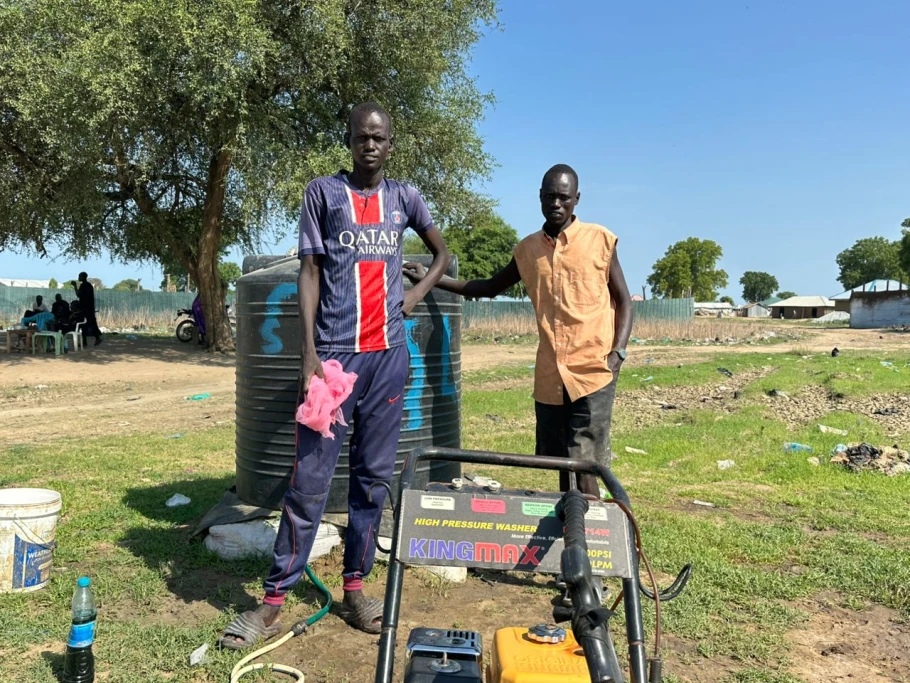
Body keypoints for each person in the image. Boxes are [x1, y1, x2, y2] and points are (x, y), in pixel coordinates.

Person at [219, 102, 450, 649]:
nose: (370, 146)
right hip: (334, 363)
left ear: (391, 144)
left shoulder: (405, 200)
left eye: (379, 138)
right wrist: (307, 358)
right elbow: (309, 272)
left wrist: (413, 297)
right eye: (361, 138)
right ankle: (274, 602)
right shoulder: (323, 194)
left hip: (389, 360)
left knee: (372, 481)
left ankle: (354, 589)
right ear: (349, 142)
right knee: (309, 483)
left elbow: (440, 254)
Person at [405, 164, 633, 494]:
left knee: (584, 461)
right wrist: (431, 276)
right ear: (540, 198)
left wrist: (618, 353)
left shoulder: (600, 241)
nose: (556, 204)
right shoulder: (527, 250)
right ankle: (570, 528)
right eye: (550, 197)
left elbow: (625, 301)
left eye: (564, 198)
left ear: (577, 200)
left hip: (593, 370)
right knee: (561, 461)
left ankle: (592, 538)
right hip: (551, 373)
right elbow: (486, 287)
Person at [71, 273, 102, 346]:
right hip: (89, 308)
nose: (78, 277)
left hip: (85, 308)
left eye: (79, 276)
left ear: (83, 277)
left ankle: (91, 339)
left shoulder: (84, 285)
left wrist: (75, 286)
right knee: (89, 323)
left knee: (84, 323)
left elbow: (78, 295)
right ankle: (89, 340)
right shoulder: (89, 285)